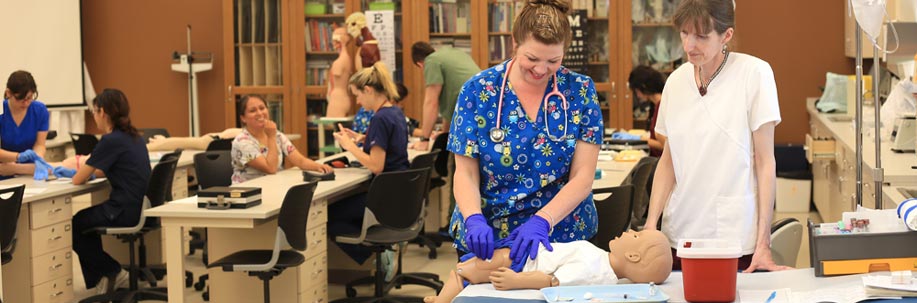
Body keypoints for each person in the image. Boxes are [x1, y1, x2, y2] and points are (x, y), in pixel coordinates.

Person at [447, 0, 604, 270]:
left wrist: (543, 220)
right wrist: (473, 218)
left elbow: (583, 176)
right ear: (514, 44)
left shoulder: (579, 91)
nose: (541, 70)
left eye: (553, 60)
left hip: (560, 236)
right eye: (532, 58)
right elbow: (465, 173)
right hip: (489, 236)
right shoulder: (478, 91)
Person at [643, 0, 790, 272]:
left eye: (701, 36)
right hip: (680, 233)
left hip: (732, 236)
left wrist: (763, 244)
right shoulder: (676, 82)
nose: (689, 46)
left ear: (726, 35)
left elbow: (765, 162)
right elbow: (669, 160)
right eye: (685, 34)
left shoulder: (754, 74)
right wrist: (652, 225)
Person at [58, 89, 148, 295]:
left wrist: (76, 171)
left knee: (75, 225)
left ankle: (112, 272)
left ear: (104, 112)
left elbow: (78, 179)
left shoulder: (110, 140)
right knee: (86, 221)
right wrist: (89, 171)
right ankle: (106, 280)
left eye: (94, 111)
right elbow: (102, 169)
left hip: (123, 209)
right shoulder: (132, 136)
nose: (94, 116)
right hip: (137, 206)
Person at [423, 229, 673, 303]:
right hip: (526, 255)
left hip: (521, 262)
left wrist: (516, 281)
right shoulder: (600, 264)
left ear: (633, 256)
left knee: (462, 270)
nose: (630, 230)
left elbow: (553, 281)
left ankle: (442, 301)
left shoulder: (594, 266)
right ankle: (443, 299)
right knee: (463, 271)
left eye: (637, 236)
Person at [329, 62, 410, 271]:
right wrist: (362, 139)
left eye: (358, 95)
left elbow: (376, 166)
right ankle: (383, 249)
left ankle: (377, 254)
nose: (357, 101)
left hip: (384, 198)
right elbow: (390, 142)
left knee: (329, 216)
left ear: (368, 90)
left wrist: (348, 146)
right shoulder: (394, 112)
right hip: (399, 194)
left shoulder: (379, 119)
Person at [231, 95, 332, 183]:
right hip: (249, 193)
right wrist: (271, 137)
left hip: (273, 186)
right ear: (243, 118)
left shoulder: (277, 135)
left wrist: (318, 166)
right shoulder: (242, 142)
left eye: (262, 108)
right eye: (253, 110)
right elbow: (270, 168)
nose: (260, 113)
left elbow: (300, 161)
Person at [410, 42, 481, 151]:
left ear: (420, 65)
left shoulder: (431, 61)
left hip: (470, 115)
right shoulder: (454, 53)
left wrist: (424, 140)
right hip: (485, 106)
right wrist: (444, 135)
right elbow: (452, 101)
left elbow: (431, 103)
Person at [1, 70, 52, 180]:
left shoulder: (40, 110)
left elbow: (40, 144)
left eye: (29, 98)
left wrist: (38, 158)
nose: (26, 103)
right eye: (20, 99)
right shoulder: (1, 112)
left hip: (28, 171)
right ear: (8, 93)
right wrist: (18, 157)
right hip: (3, 170)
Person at [627, 65, 667, 157]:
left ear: (643, 86)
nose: (637, 95)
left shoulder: (663, 105)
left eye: (637, 91)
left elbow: (663, 145)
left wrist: (639, 140)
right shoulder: (655, 105)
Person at [326, 27, 355, 117]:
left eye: (335, 40)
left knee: (336, 127)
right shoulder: (346, 59)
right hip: (340, 97)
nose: (333, 43)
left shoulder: (341, 61)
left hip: (338, 99)